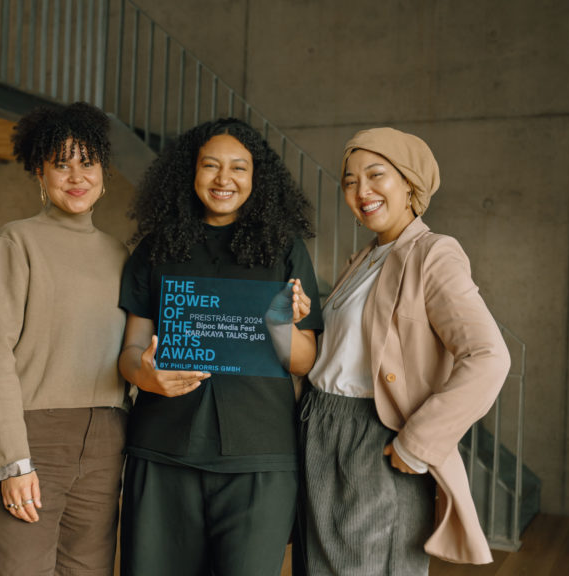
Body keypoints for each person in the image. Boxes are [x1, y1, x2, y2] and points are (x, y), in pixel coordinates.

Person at [296, 127, 511, 575]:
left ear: (410, 184)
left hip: (372, 437)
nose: (361, 191)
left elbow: (489, 356)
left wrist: (419, 443)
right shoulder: (365, 258)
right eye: (350, 181)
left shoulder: (433, 253)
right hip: (319, 428)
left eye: (376, 175)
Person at [118, 118, 323, 576]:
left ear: (257, 179)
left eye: (238, 168)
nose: (223, 179)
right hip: (163, 447)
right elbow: (131, 349)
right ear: (190, 173)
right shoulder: (155, 249)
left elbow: (303, 361)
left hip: (259, 455)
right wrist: (143, 375)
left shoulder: (284, 250)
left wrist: (278, 324)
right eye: (210, 165)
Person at [0, 102, 129, 576]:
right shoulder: (16, 242)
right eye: (61, 164)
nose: (76, 175)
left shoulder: (121, 255)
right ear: (40, 173)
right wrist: (14, 461)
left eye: (87, 162)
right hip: (32, 435)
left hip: (107, 439)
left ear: (103, 173)